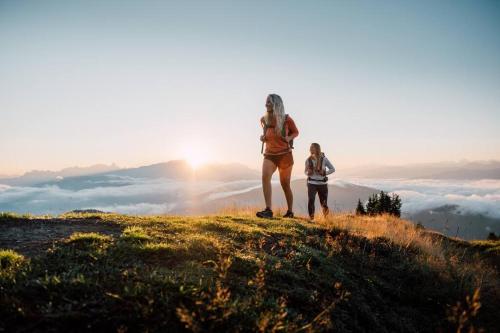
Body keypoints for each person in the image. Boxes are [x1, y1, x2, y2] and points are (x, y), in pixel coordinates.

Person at [256, 94, 299, 219]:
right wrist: (262, 138)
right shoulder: (264, 119)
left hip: (285, 155)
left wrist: (289, 137)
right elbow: (267, 134)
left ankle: (290, 211)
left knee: (285, 184)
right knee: (265, 177)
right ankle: (268, 210)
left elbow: (296, 132)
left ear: (276, 104)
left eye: (269, 102)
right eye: (266, 102)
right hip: (269, 154)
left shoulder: (287, 119)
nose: (266, 105)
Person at [305, 143, 335, 221]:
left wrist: (325, 173)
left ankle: (327, 219)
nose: (310, 149)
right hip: (311, 183)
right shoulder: (308, 160)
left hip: (322, 184)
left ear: (317, 149)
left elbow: (332, 169)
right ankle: (311, 219)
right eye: (310, 147)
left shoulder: (324, 159)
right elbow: (305, 171)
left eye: (312, 147)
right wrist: (308, 173)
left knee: (324, 203)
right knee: (311, 200)